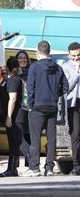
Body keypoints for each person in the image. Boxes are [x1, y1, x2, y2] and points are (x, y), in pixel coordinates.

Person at [20, 41, 69, 177]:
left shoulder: (34, 67)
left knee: (35, 138)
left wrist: (30, 105)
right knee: (51, 139)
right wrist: (54, 95)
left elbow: (30, 88)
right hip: (52, 106)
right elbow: (65, 86)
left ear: (37, 51)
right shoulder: (58, 68)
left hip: (37, 107)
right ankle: (49, 168)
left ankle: (35, 167)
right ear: (49, 51)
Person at [0, 57, 23, 177]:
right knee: (12, 143)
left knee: (14, 143)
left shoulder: (13, 80)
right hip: (15, 116)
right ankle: (11, 168)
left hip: (15, 117)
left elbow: (12, 99)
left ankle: (12, 169)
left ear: (7, 68)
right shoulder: (12, 79)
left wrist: (9, 116)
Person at [62, 42, 80, 175]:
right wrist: (77, 71)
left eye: (79, 55)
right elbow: (67, 87)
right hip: (73, 104)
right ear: (69, 55)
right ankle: (76, 164)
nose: (76, 58)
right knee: (75, 135)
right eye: (74, 56)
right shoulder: (65, 67)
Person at [15, 50, 31, 167]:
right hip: (20, 107)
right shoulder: (14, 74)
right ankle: (30, 162)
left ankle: (30, 160)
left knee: (25, 135)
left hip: (30, 107)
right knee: (21, 134)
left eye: (24, 57)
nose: (22, 59)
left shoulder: (32, 71)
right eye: (20, 58)